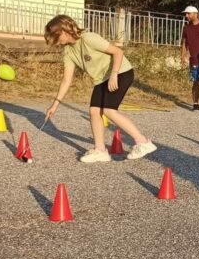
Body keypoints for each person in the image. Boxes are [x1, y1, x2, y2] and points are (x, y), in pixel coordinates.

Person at [44, 14, 156, 163]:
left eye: (56, 37)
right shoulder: (68, 52)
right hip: (101, 79)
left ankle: (143, 142)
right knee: (94, 111)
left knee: (109, 110)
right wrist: (55, 104)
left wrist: (114, 74)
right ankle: (100, 151)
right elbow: (66, 79)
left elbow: (118, 52)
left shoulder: (89, 38)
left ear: (64, 30)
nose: (56, 41)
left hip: (121, 72)